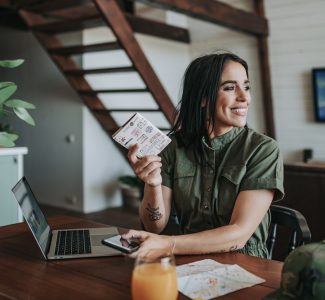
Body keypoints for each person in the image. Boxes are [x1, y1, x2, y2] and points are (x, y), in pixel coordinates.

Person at [123, 51, 284, 259]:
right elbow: (154, 226)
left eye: (246, 87)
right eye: (230, 88)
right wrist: (152, 185)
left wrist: (168, 244)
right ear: (202, 98)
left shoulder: (263, 150)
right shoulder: (173, 148)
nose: (245, 98)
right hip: (190, 257)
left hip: (246, 261)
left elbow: (239, 234)